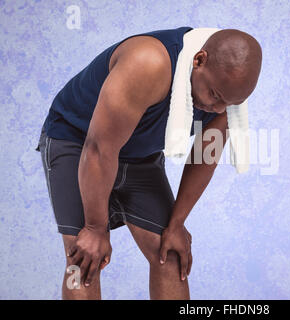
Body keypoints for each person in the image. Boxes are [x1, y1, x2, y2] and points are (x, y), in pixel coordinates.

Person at [35, 26, 262, 300]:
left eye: (230, 104)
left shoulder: (227, 97)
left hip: (139, 155)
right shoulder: (148, 63)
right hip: (79, 141)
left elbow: (204, 158)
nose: (218, 109)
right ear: (199, 60)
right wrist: (95, 228)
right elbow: (99, 149)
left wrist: (176, 224)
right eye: (214, 95)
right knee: (83, 260)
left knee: (171, 254)